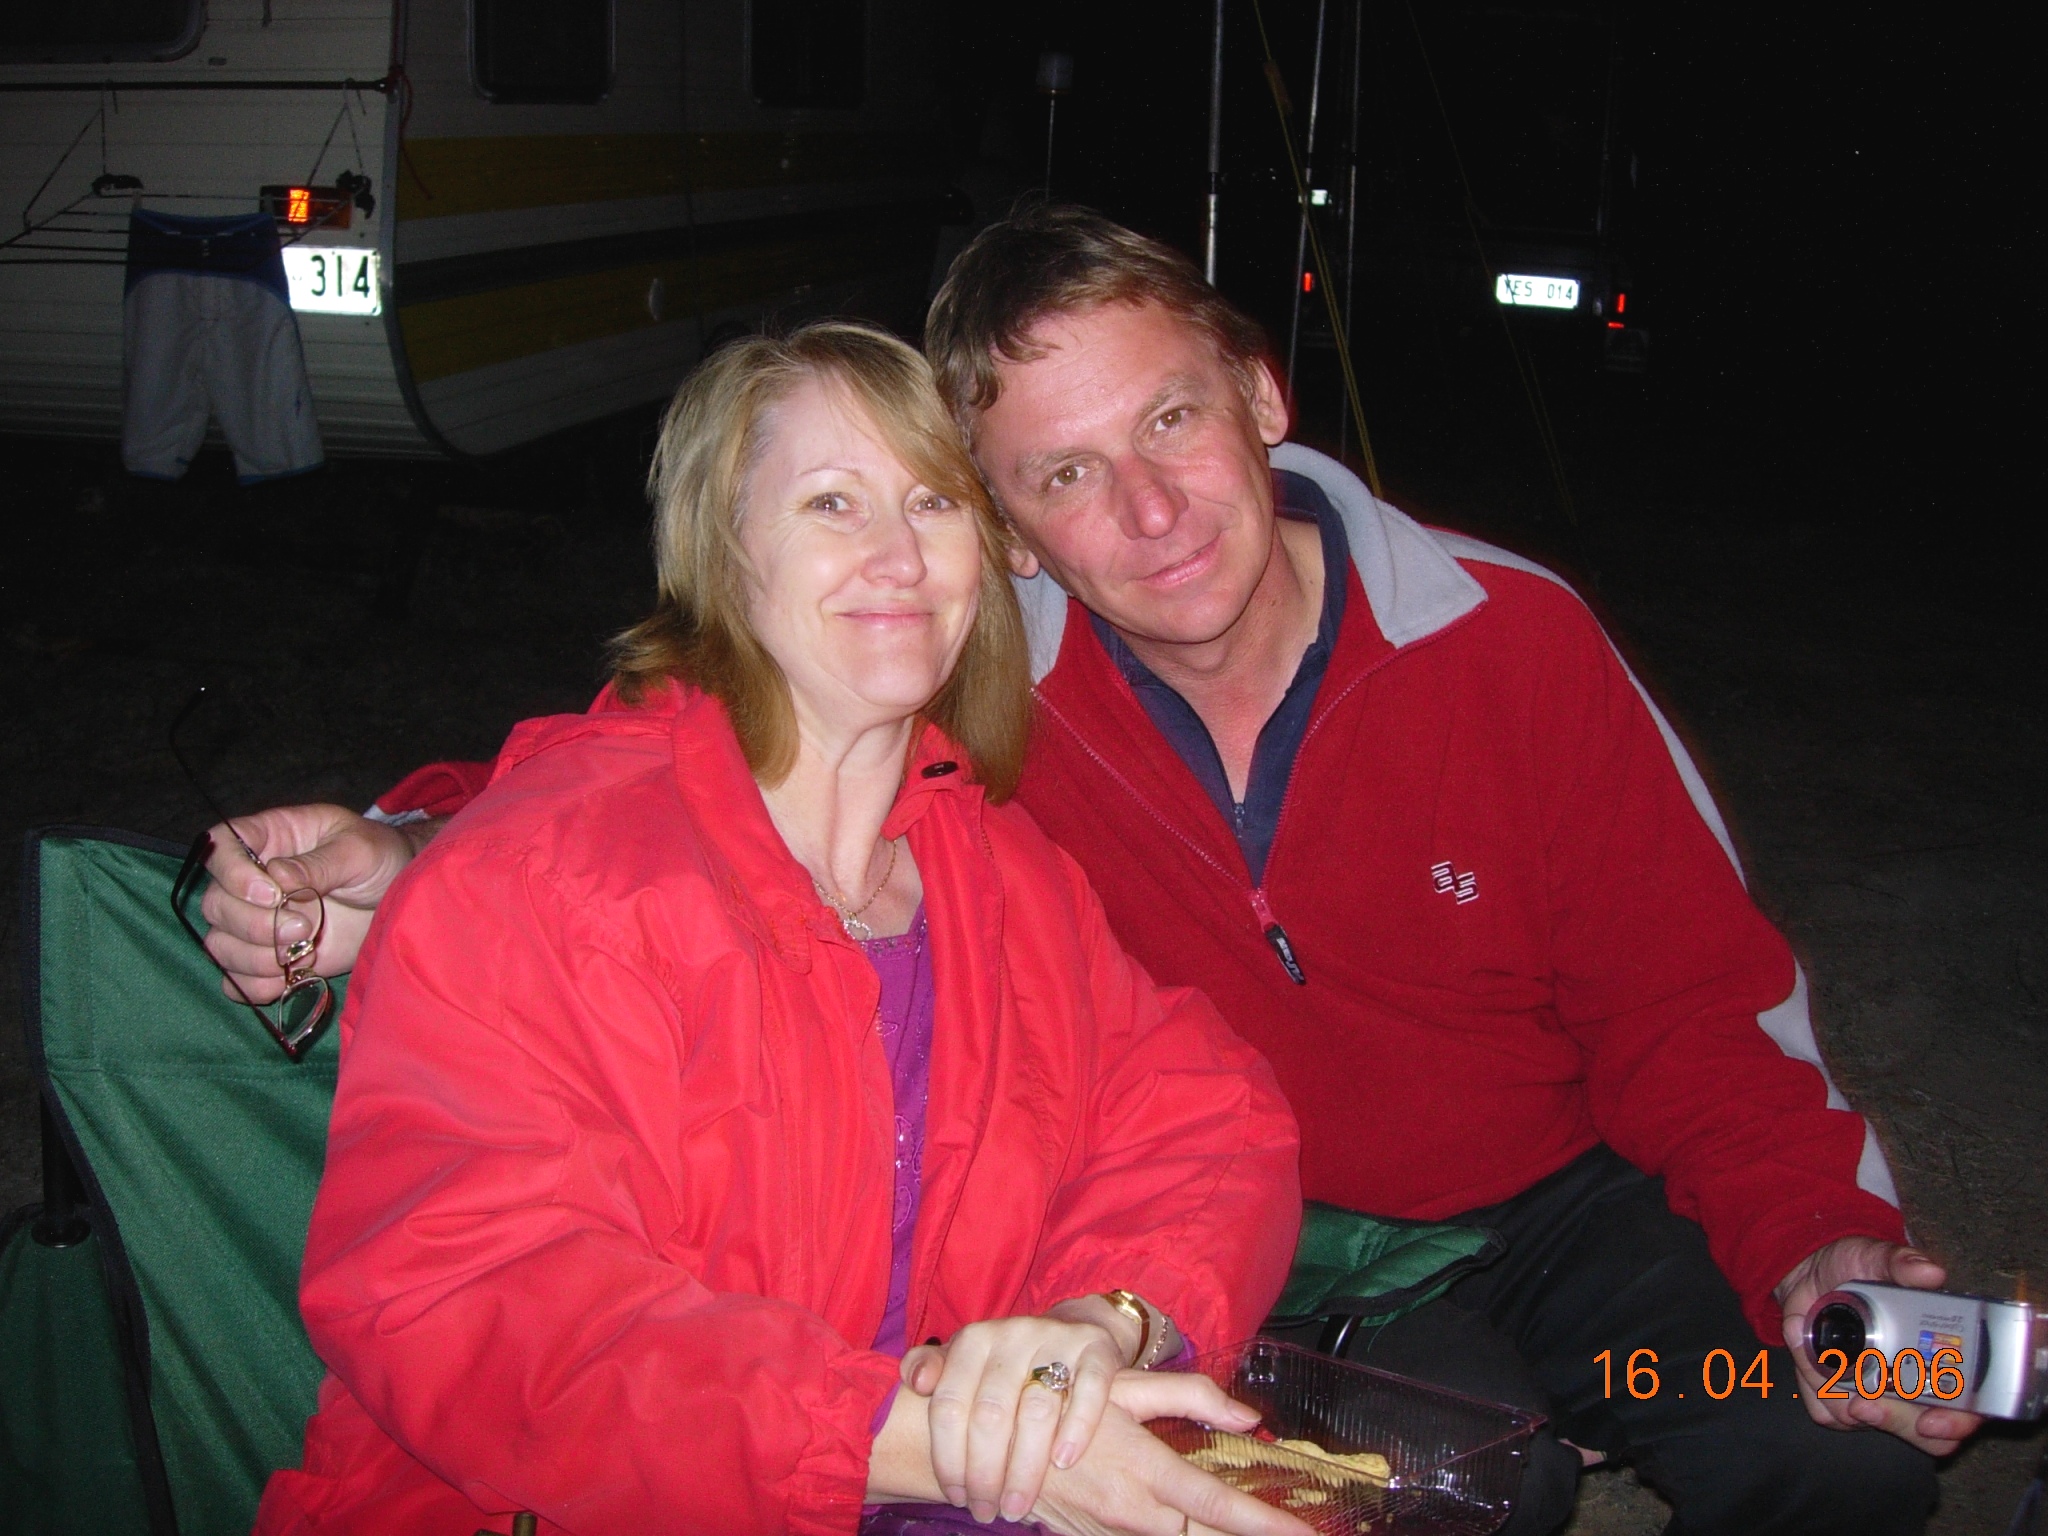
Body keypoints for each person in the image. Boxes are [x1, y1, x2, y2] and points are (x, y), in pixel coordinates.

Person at [209, 209, 1981, 1536]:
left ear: (1259, 395)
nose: (1146, 510)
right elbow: (681, 747)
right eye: (1060, 473)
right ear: (1013, 529)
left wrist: (1816, 1245)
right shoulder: (991, 699)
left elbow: (1693, 1007)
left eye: (1170, 422)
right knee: (1464, 1484)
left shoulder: (1502, 642)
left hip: (1545, 1215)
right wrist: (418, 848)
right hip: (1282, 1272)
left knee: (1833, 1436)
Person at [242, 321, 1310, 1536]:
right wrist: (921, 1441)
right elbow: (468, 1299)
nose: (897, 557)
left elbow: (1206, 1116)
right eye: (830, 504)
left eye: (931, 502)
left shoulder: (996, 871)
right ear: (726, 550)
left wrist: (1096, 1321)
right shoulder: (545, 874)